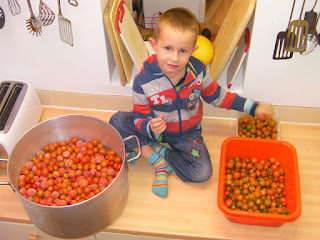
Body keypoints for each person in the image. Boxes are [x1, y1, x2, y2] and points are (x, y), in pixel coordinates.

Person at [109, 7, 273, 198]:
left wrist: (253, 107)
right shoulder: (143, 80)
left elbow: (218, 96)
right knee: (116, 122)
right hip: (155, 130)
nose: (175, 58)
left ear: (193, 51)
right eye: (168, 48)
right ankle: (156, 160)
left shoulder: (198, 71)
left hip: (187, 134)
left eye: (183, 51)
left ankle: (162, 154)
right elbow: (139, 114)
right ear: (154, 45)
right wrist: (149, 126)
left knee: (202, 173)